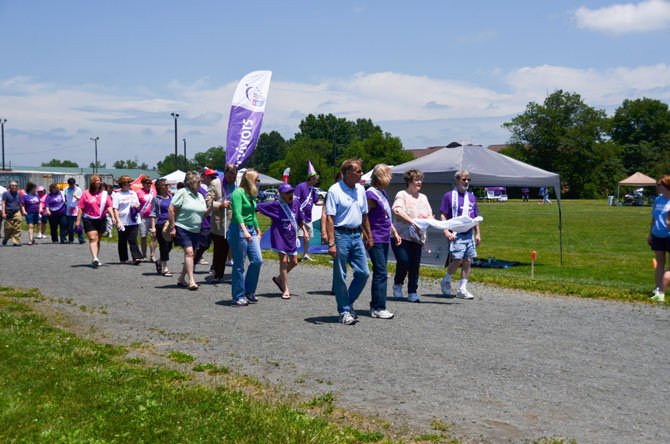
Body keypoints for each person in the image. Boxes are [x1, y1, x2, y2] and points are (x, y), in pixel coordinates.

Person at [325, 159, 371, 324]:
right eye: (358, 171)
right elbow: (329, 218)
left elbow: (364, 214)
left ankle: (348, 302)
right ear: (347, 173)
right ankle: (344, 311)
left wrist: (368, 235)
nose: (360, 173)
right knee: (340, 275)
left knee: (364, 273)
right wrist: (331, 242)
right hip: (340, 234)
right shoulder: (334, 190)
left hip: (356, 235)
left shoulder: (360, 189)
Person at [258, 183, 308, 299]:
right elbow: (259, 206)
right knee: (284, 260)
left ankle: (279, 278)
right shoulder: (276, 205)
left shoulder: (296, 203)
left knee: (294, 262)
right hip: (279, 236)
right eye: (287, 193)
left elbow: (300, 220)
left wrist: (305, 231)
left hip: (291, 236)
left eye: (291, 192)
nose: (290, 194)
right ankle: (286, 289)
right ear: (281, 194)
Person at [391, 169, 434, 303]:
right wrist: (412, 222)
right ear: (409, 181)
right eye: (416, 179)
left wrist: (430, 221)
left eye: (420, 179)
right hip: (401, 235)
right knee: (404, 261)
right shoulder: (402, 195)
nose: (419, 182)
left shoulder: (424, 197)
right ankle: (398, 284)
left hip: (417, 237)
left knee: (415, 265)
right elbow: (397, 210)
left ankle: (412, 291)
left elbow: (430, 214)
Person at [439, 170, 481, 300]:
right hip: (455, 233)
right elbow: (443, 214)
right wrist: (446, 230)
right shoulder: (449, 196)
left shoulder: (472, 197)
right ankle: (446, 280)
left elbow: (475, 217)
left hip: (468, 234)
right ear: (457, 180)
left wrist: (478, 233)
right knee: (457, 259)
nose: (467, 182)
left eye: (469, 179)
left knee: (468, 260)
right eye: (464, 179)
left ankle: (462, 288)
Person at [366, 164, 401, 319]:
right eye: (389, 175)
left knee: (382, 271)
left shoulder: (382, 193)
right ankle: (378, 307)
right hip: (376, 238)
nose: (391, 178)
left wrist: (394, 231)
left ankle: (377, 305)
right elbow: (364, 216)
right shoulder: (371, 194)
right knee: (381, 272)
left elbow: (385, 216)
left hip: (385, 237)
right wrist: (368, 236)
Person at [229, 169, 263, 306]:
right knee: (239, 264)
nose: (259, 182)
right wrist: (245, 231)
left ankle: (249, 291)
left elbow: (252, 214)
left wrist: (258, 230)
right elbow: (237, 213)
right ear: (250, 180)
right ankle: (238, 296)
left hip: (250, 229)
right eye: (257, 180)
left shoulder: (251, 194)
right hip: (238, 229)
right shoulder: (238, 193)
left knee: (257, 260)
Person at [168, 171, 207, 291]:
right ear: (192, 182)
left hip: (196, 229)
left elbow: (204, 212)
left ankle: (181, 278)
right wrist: (172, 227)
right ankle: (191, 280)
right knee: (189, 253)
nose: (201, 183)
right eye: (199, 181)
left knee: (191, 255)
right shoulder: (182, 193)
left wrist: (213, 206)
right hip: (182, 227)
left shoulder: (200, 196)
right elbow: (171, 209)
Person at [75, 175, 115, 268]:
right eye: (97, 180)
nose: (99, 182)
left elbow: (109, 206)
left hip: (101, 219)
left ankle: (96, 256)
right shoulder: (86, 193)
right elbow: (81, 207)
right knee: (92, 238)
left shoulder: (105, 194)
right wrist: (77, 221)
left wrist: (113, 217)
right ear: (92, 182)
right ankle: (95, 258)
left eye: (100, 180)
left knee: (98, 239)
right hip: (89, 219)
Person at [206, 164, 237, 282]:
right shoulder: (216, 183)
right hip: (221, 223)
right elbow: (208, 202)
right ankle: (218, 273)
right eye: (230, 174)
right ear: (225, 173)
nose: (232, 177)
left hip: (235, 221)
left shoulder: (238, 184)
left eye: (234, 174)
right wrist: (220, 204)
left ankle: (236, 272)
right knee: (221, 249)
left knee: (235, 248)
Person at [648, 175, 670, 302]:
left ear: (667, 186)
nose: (657, 187)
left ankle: (661, 290)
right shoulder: (658, 200)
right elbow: (654, 218)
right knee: (660, 263)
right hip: (657, 235)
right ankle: (658, 290)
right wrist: (650, 234)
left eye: (659, 185)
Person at [112, 175, 143, 265]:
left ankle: (136, 257)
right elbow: (115, 209)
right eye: (128, 182)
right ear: (123, 183)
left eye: (130, 182)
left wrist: (136, 206)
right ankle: (123, 257)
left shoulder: (133, 193)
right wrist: (118, 221)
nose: (130, 184)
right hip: (122, 220)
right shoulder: (117, 195)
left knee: (133, 239)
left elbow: (137, 204)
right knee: (122, 240)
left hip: (133, 219)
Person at [294, 161, 320, 262]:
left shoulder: (312, 189)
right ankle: (292, 253)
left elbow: (317, 202)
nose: (317, 181)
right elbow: (295, 200)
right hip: (301, 216)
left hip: (309, 217)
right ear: (312, 178)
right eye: (316, 179)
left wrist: (326, 202)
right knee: (300, 236)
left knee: (307, 236)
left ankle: (305, 254)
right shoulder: (301, 186)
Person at [150, 178, 173, 276]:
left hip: (170, 224)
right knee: (163, 245)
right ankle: (165, 268)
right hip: (160, 224)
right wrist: (153, 227)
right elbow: (153, 213)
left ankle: (159, 261)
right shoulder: (156, 199)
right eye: (165, 185)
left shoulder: (171, 197)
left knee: (169, 246)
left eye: (168, 184)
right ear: (160, 187)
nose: (168, 186)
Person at [136, 176, 157, 262]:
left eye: (150, 183)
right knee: (143, 236)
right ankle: (144, 255)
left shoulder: (154, 192)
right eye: (147, 183)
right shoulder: (138, 192)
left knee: (154, 236)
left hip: (153, 217)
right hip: (143, 218)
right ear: (143, 184)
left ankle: (152, 254)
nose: (149, 184)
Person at [2, 181, 23, 246]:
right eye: (12, 185)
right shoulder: (6, 194)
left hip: (17, 212)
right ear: (9, 186)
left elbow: (20, 204)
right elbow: (3, 203)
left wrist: (23, 211)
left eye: (15, 185)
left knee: (17, 227)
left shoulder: (18, 194)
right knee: (8, 228)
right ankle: (6, 238)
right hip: (8, 212)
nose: (14, 187)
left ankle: (16, 241)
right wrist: (3, 213)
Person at [64, 178, 85, 244]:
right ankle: (71, 239)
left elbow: (81, 199)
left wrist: (76, 197)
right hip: (69, 210)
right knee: (70, 226)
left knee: (78, 225)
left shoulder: (78, 189)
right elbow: (65, 197)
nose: (71, 186)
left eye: (72, 184)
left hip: (77, 210)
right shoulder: (66, 189)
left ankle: (81, 239)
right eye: (70, 185)